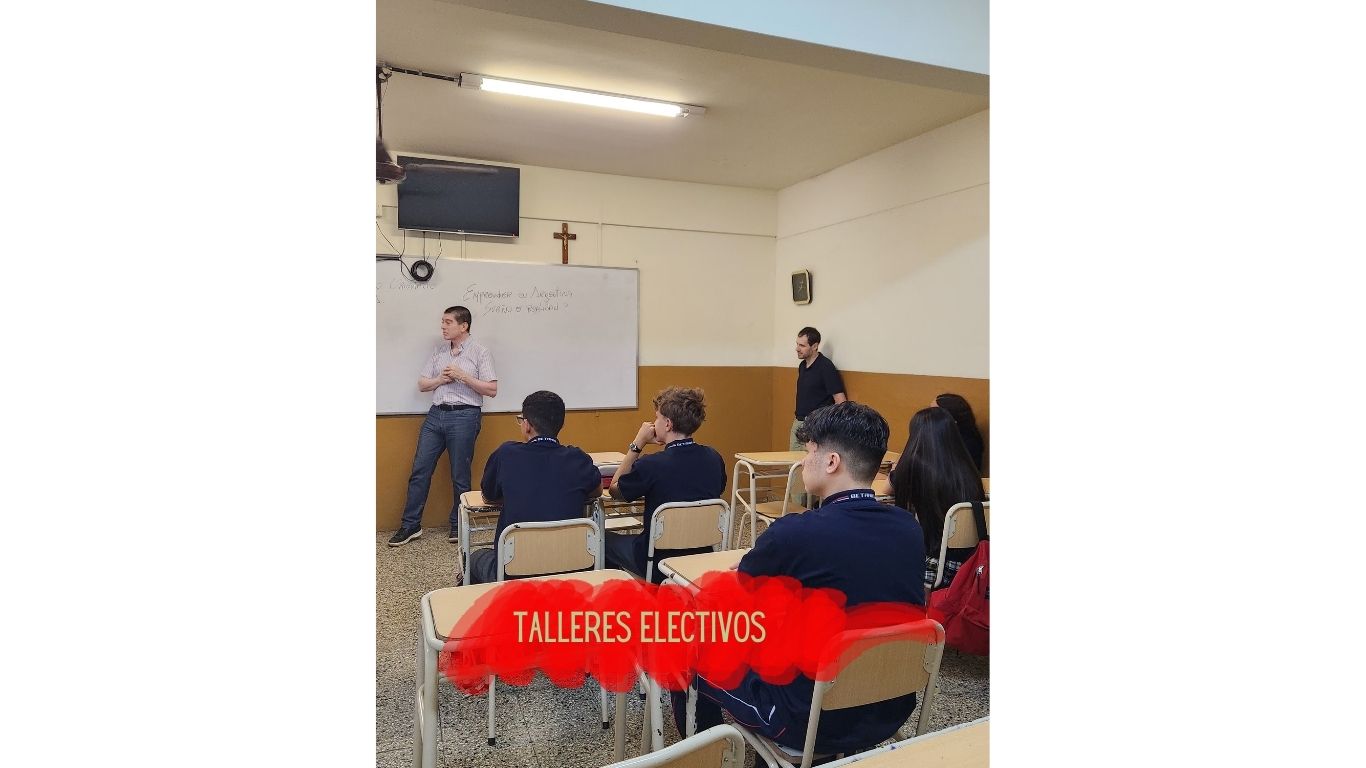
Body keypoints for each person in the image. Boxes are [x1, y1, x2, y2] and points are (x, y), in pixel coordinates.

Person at [673, 402, 926, 756]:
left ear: (832, 461)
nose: (804, 462)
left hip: (807, 720)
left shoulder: (795, 533)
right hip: (889, 708)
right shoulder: (909, 528)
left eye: (809, 452)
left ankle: (707, 758)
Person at [464, 390, 602, 585]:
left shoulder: (506, 454)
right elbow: (597, 491)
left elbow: (488, 496)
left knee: (475, 558)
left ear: (527, 425)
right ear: (560, 425)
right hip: (571, 568)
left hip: (515, 573)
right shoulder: (577, 458)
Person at [388, 306, 498, 547]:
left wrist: (462, 376)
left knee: (460, 475)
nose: (443, 326)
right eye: (442, 322)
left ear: (464, 326)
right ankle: (411, 525)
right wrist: (441, 379)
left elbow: (491, 389)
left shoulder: (480, 352)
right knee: (420, 470)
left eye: (448, 322)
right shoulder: (439, 351)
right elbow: (422, 384)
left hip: (465, 416)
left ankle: (458, 525)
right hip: (435, 415)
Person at [605, 387, 727, 583]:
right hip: (703, 556)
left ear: (668, 424)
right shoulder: (714, 457)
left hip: (657, 562)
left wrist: (637, 443)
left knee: (602, 540)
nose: (654, 423)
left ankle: (635, 594)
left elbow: (615, 490)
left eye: (657, 418)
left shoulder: (651, 464)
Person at [889, 407, 986, 588]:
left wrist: (901, 462)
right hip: (970, 565)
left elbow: (887, 489)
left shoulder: (913, 465)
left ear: (915, 435)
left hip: (934, 565)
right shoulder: (967, 467)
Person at [790, 327, 846, 450]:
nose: (797, 349)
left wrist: (834, 427)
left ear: (815, 346)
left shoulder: (825, 367)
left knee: (812, 461)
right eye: (797, 344)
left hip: (816, 425)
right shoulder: (802, 365)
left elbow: (840, 400)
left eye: (802, 345)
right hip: (799, 422)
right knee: (792, 460)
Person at [933, 393, 985, 474]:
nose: (928, 416)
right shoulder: (939, 434)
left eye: (934, 413)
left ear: (951, 419)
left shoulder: (968, 444)